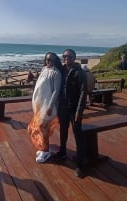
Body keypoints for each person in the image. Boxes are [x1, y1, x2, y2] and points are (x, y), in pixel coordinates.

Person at [54, 49, 88, 178]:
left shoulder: (80, 72)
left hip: (74, 109)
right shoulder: (61, 70)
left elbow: (83, 93)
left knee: (78, 135)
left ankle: (80, 164)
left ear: (74, 58)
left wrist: (79, 110)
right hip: (63, 107)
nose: (66, 58)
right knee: (63, 131)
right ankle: (62, 152)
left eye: (69, 56)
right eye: (64, 56)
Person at [28, 52, 62, 163]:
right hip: (40, 105)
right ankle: (42, 148)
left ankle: (45, 151)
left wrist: (50, 106)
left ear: (55, 61)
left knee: (43, 128)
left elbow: (56, 91)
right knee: (37, 127)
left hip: (48, 106)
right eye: (47, 59)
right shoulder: (44, 69)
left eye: (52, 60)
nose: (49, 61)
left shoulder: (56, 73)